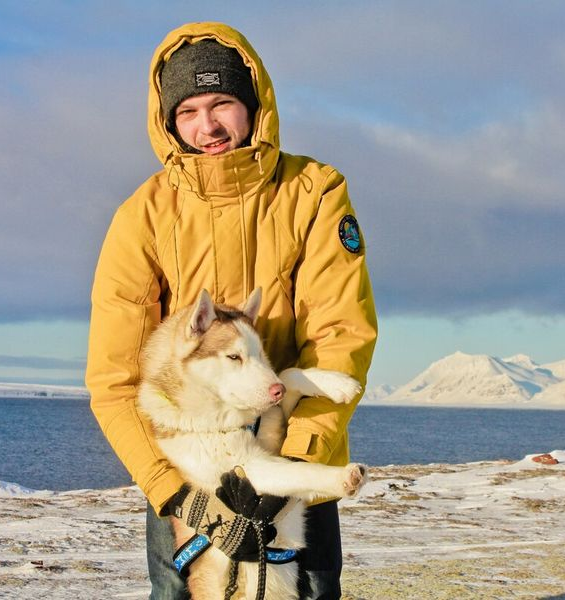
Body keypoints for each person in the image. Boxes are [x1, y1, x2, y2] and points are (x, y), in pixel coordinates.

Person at [85, 22, 377, 600]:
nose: (207, 125)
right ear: (168, 120)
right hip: (188, 475)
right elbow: (114, 377)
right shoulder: (140, 217)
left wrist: (290, 465)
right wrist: (172, 490)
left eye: (222, 103)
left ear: (254, 105)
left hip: (291, 455)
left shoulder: (314, 192)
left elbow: (339, 332)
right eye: (188, 110)